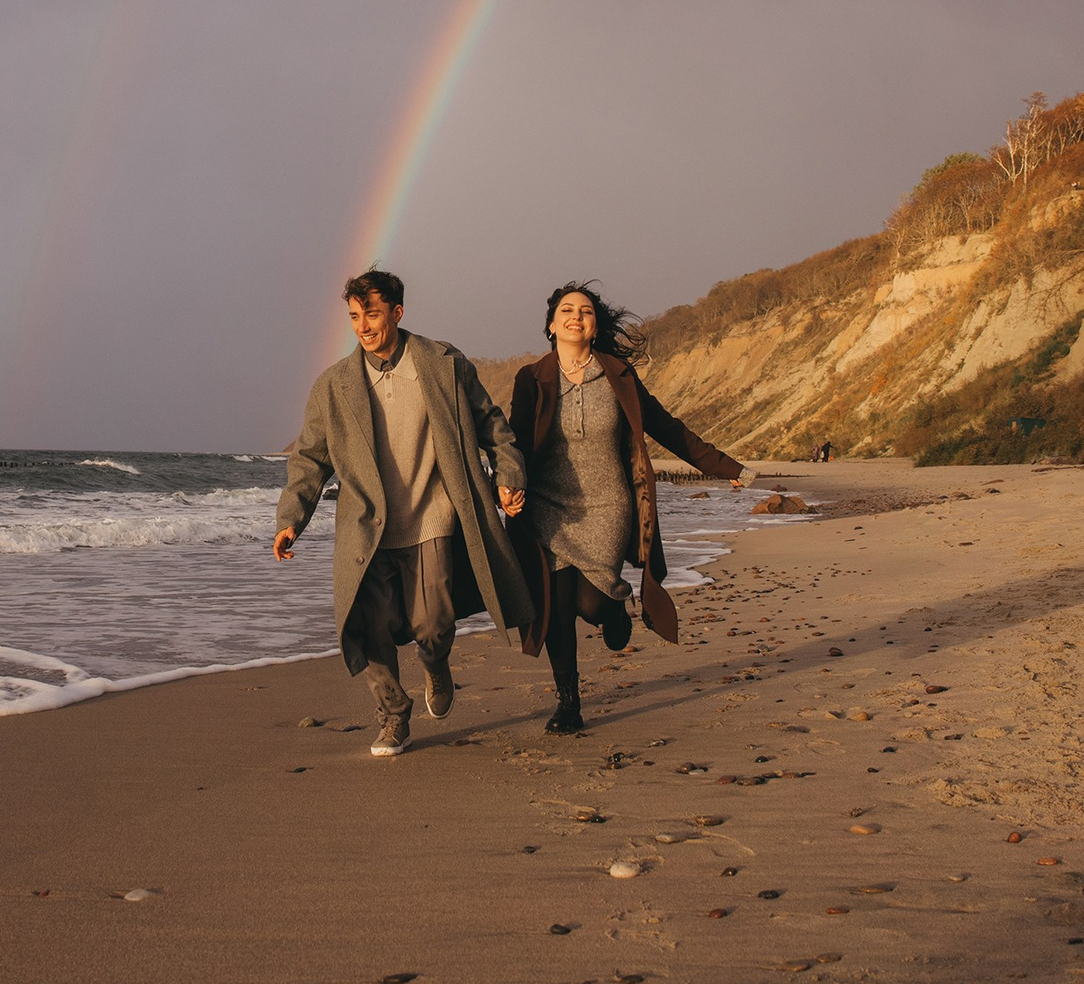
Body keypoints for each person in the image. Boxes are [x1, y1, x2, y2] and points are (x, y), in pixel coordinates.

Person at [274, 268, 534, 757]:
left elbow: (493, 425)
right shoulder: (333, 386)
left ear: (397, 312)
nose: (363, 326)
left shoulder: (443, 363)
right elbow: (309, 458)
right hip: (366, 527)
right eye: (354, 316)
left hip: (433, 514)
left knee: (433, 623)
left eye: (372, 314)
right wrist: (291, 519)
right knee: (369, 627)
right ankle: (394, 716)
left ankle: (435, 665)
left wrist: (508, 475)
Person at [509, 281, 743, 736]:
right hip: (547, 507)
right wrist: (506, 484)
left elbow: (668, 428)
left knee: (591, 603)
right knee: (557, 606)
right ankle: (568, 702)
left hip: (606, 504)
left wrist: (727, 467)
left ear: (595, 327)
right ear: (551, 325)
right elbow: (515, 441)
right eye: (567, 310)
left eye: (586, 312)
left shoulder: (618, 376)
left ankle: (614, 611)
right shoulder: (531, 378)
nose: (576, 317)